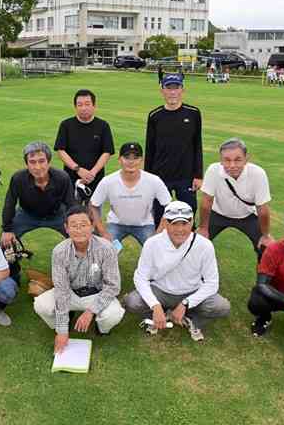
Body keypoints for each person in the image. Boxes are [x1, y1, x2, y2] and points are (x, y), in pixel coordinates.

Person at [124, 201, 231, 342]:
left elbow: (212, 283)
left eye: (185, 223)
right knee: (132, 301)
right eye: (174, 223)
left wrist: (186, 303)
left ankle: (191, 320)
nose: (180, 229)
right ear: (165, 223)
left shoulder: (205, 245)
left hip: (191, 291)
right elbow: (140, 277)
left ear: (192, 222)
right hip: (160, 291)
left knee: (222, 307)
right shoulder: (152, 243)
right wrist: (154, 305)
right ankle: (157, 315)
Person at [33, 205, 126, 353]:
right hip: (70, 293)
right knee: (41, 305)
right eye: (74, 226)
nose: (79, 230)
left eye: (83, 225)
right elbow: (61, 290)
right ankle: (63, 322)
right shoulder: (59, 251)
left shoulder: (107, 248)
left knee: (113, 314)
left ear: (92, 226)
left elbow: (113, 286)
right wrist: (62, 332)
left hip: (97, 293)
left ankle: (101, 328)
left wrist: (90, 311)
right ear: (66, 228)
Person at [198, 138, 273, 261]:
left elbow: (262, 209)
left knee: (266, 249)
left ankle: (263, 280)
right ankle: (197, 277)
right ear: (220, 160)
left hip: (248, 216)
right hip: (218, 214)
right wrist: (203, 228)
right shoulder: (213, 170)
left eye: (237, 160)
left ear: (246, 158)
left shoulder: (258, 173)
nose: (232, 165)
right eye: (227, 160)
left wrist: (266, 236)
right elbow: (206, 201)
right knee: (197, 244)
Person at [145, 73, 203, 226]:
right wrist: (148, 178)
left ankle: (188, 247)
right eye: (168, 88)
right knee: (160, 217)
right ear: (162, 90)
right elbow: (150, 149)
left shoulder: (193, 113)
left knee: (189, 215)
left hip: (186, 176)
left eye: (176, 88)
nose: (172, 92)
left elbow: (197, 145)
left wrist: (198, 175)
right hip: (160, 176)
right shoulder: (154, 116)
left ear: (182, 90)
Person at [90, 142, 172, 247]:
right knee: (105, 250)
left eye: (135, 158)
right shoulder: (108, 181)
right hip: (116, 224)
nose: (131, 162)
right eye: (127, 157)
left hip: (145, 225)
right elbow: (94, 205)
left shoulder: (154, 180)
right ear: (119, 159)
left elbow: (169, 206)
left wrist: (159, 233)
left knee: (156, 250)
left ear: (141, 160)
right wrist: (103, 232)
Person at [0, 142, 77, 249]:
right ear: (26, 164)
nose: (37, 167)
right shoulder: (18, 179)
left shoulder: (62, 178)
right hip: (26, 214)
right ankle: (11, 264)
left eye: (41, 161)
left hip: (57, 214)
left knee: (79, 236)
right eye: (32, 162)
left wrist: (74, 226)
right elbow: (10, 203)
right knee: (5, 241)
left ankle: (76, 262)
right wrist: (7, 229)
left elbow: (71, 205)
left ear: (49, 162)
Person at [54, 89, 115, 202]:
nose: (83, 108)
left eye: (87, 104)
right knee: (72, 215)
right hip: (71, 180)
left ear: (94, 106)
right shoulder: (66, 125)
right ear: (75, 107)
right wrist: (78, 169)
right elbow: (61, 150)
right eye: (79, 104)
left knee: (93, 215)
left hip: (95, 180)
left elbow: (107, 152)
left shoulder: (103, 126)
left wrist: (92, 173)